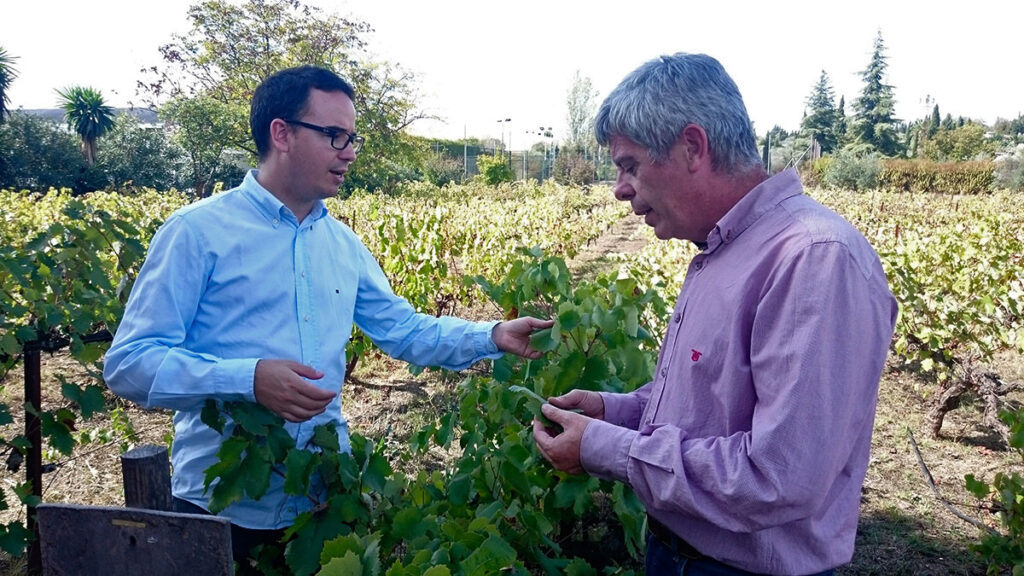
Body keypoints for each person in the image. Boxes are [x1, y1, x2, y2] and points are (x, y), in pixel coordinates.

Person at [103, 65, 552, 568]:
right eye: (335, 135)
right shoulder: (196, 233)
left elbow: (403, 329)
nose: (351, 152)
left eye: (353, 138)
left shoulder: (341, 244)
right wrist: (248, 380)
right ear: (282, 134)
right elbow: (129, 364)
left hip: (321, 505)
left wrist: (492, 334)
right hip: (222, 511)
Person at [533, 53, 898, 576]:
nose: (619, 188)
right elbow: (709, 410)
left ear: (693, 147)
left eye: (630, 165)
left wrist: (607, 449)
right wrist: (612, 411)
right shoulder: (723, 250)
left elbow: (776, 476)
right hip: (677, 553)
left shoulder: (813, 257)